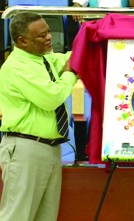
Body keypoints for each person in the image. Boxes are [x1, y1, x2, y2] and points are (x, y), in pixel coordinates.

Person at [0, 12, 78, 221]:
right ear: (22, 41)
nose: (49, 38)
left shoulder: (44, 58)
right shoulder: (16, 66)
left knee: (45, 216)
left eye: (48, 32)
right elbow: (51, 98)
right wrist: (70, 73)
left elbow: (72, 57)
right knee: (17, 215)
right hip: (25, 148)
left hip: (50, 147)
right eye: (41, 36)